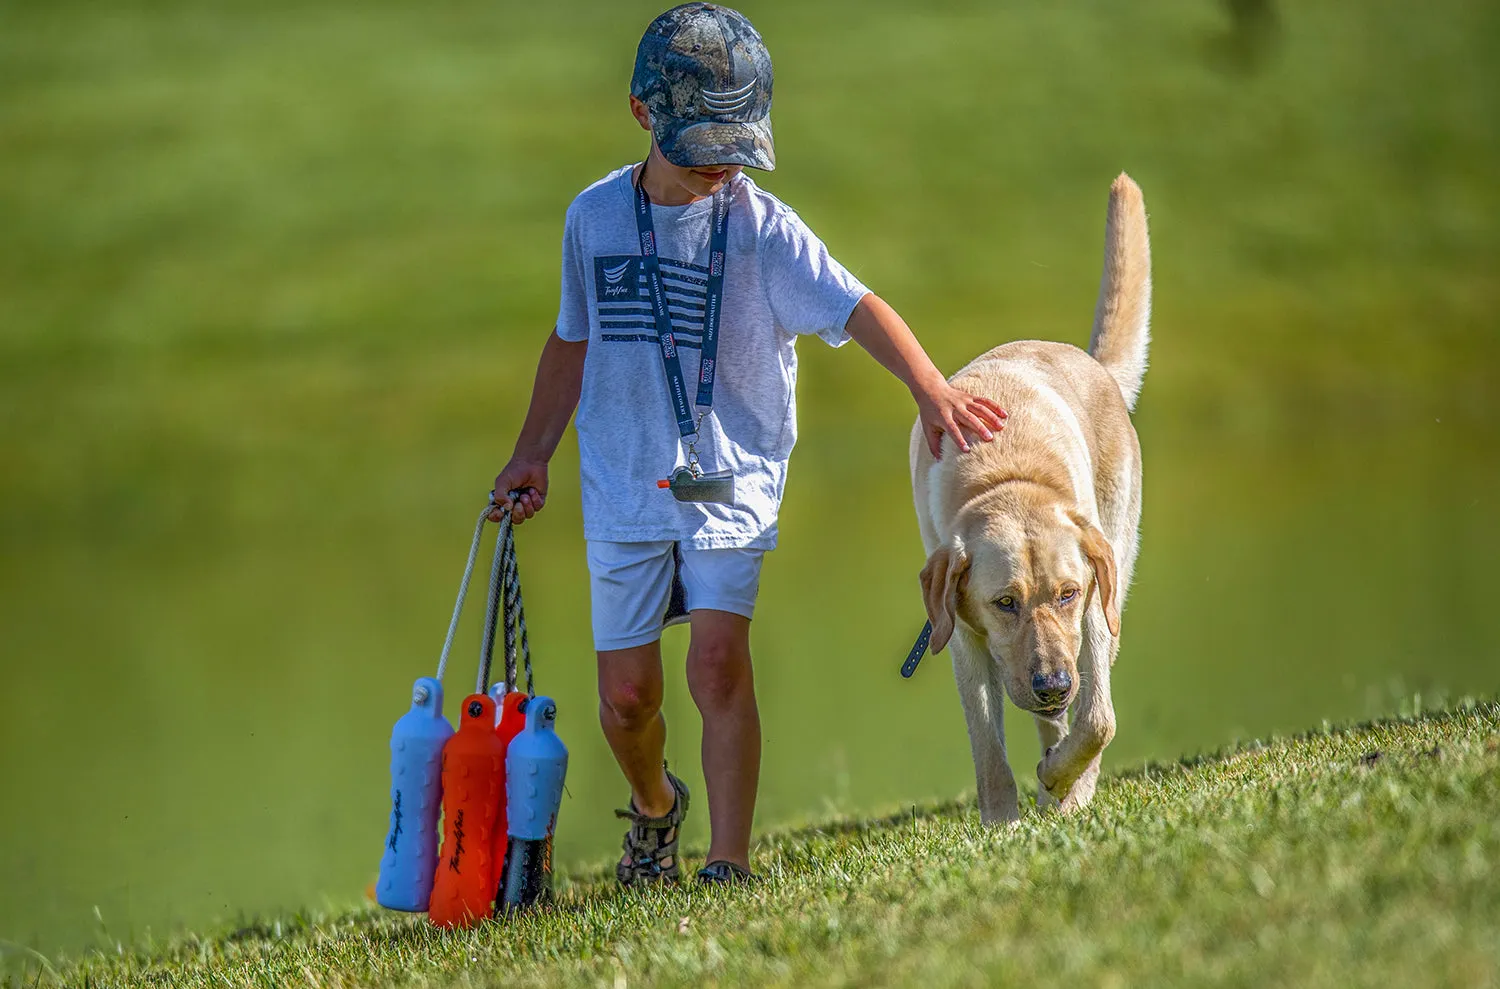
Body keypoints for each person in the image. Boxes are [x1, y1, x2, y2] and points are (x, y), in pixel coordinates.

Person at [490, 2, 1004, 887]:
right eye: (706, 141)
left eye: (739, 140)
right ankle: (655, 808)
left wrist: (931, 388)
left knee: (718, 663)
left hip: (730, 476)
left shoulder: (760, 227)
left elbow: (856, 306)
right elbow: (572, 341)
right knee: (626, 699)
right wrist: (532, 450)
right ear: (644, 114)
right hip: (622, 479)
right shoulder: (593, 220)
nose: (725, 161)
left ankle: (728, 862)